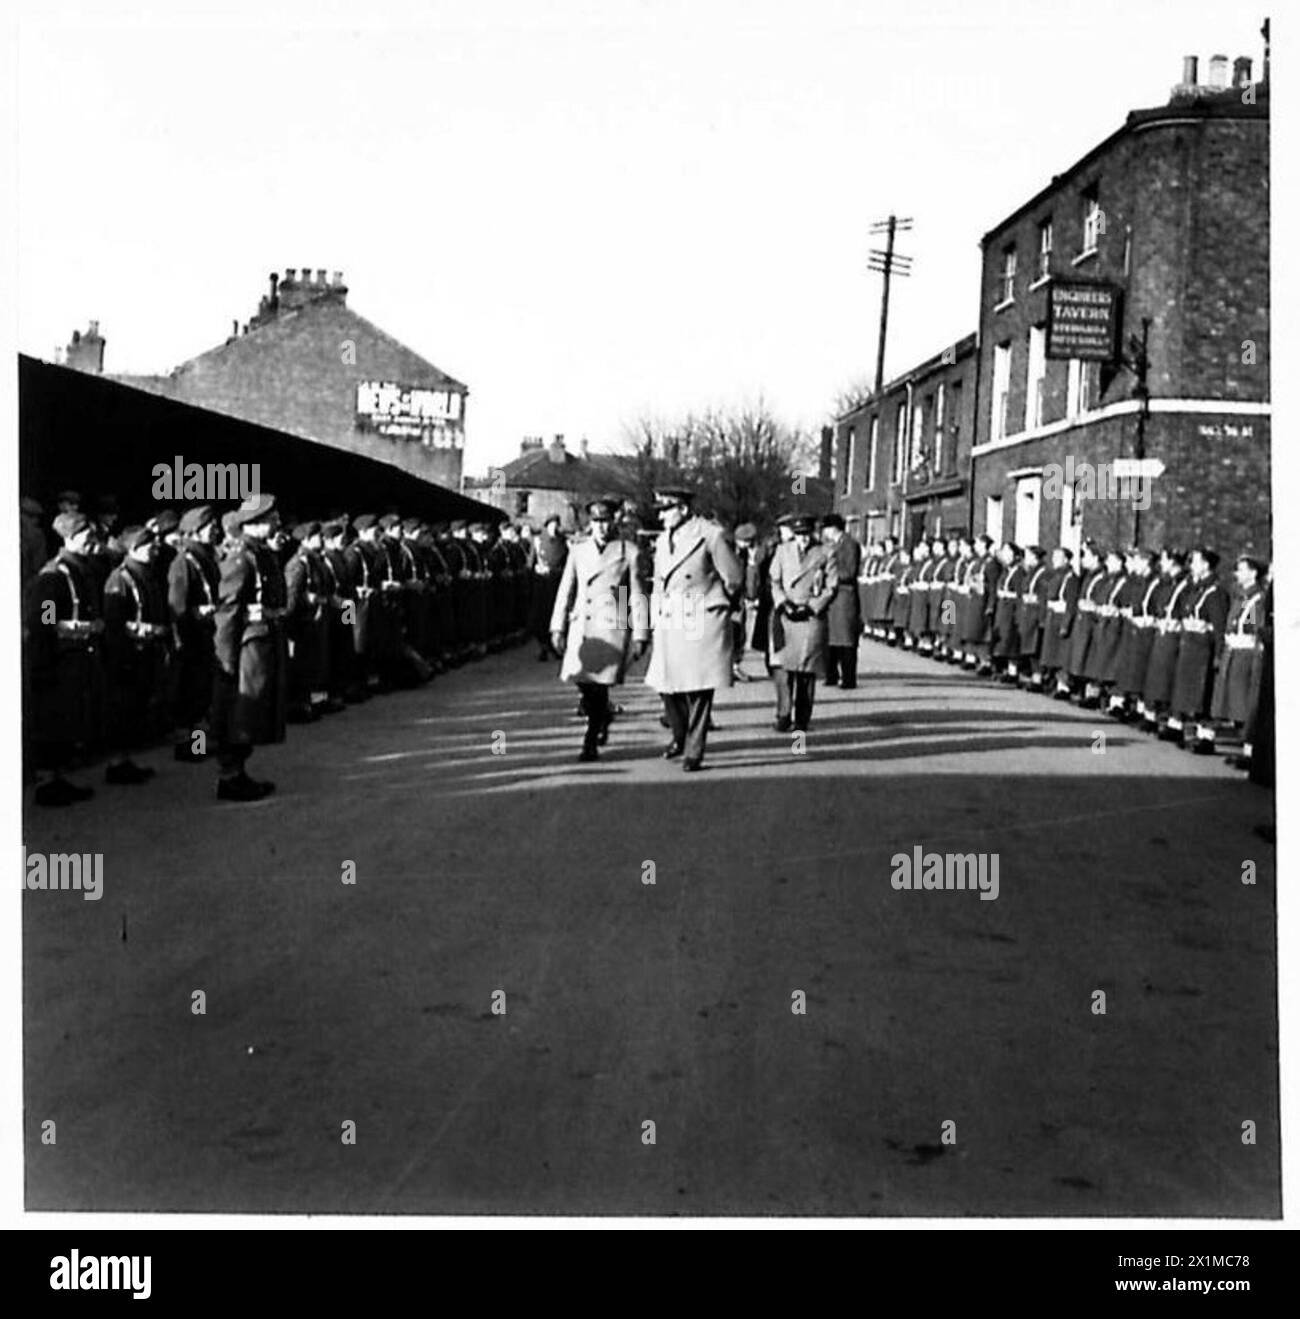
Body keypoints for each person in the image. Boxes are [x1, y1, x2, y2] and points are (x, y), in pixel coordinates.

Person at [644, 486, 743, 771]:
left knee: (698, 688)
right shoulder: (664, 540)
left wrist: (719, 606)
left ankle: (694, 749)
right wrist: (654, 617)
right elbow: (659, 583)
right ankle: (680, 735)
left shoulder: (710, 535)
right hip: (670, 618)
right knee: (667, 685)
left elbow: (733, 577)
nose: (662, 517)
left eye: (666, 510)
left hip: (700, 617)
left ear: (683, 510)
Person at [549, 499, 649, 761]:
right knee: (584, 684)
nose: (602, 527)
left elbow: (634, 593)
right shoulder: (578, 550)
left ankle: (590, 739)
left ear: (614, 521)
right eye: (596, 522)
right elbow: (566, 589)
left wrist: (640, 632)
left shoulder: (628, 551)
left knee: (599, 685)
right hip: (582, 625)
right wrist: (557, 626)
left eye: (606, 521)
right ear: (590, 523)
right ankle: (602, 716)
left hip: (610, 625)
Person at [211, 493, 288, 802]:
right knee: (242, 711)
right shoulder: (242, 559)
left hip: (262, 642)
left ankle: (238, 773)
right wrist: (226, 660)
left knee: (253, 713)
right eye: (271, 519)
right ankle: (230, 777)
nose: (277, 523)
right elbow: (227, 611)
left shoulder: (261, 554)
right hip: (247, 647)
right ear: (254, 524)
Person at [24, 511, 104, 806]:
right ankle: (48, 784)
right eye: (85, 536)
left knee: (68, 719)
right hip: (58, 661)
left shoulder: (80, 570)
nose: (91, 541)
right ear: (69, 538)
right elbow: (43, 621)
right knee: (54, 721)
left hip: (76, 660)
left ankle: (57, 778)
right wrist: (43, 666)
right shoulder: (53, 576)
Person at [102, 525, 172, 784]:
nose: (154, 550)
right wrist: (122, 659)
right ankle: (117, 763)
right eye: (147, 546)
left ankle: (126, 760)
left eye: (154, 545)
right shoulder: (121, 579)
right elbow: (115, 623)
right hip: (129, 655)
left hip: (147, 653)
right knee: (123, 710)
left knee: (137, 709)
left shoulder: (145, 575)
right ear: (132, 548)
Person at [768, 515, 838, 732]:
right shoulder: (782, 551)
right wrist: (782, 603)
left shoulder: (826, 552)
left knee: (806, 670)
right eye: (799, 535)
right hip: (785, 615)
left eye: (807, 535)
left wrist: (812, 606)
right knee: (782, 669)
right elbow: (774, 581)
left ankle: (802, 718)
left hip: (810, 616)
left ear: (813, 534)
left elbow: (831, 587)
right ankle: (783, 713)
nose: (803, 540)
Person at [168, 504, 222, 761]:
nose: (215, 531)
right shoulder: (184, 563)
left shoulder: (205, 557)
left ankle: (198, 745)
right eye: (210, 528)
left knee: (202, 694)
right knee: (190, 695)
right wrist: (196, 615)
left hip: (205, 636)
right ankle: (187, 745)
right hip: (191, 639)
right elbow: (178, 607)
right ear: (196, 531)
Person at [1205, 556, 1266, 760]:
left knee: (1241, 701)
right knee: (1228, 698)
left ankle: (1248, 750)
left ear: (1253, 573)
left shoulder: (1257, 598)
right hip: (1234, 650)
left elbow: (1251, 626)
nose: (1237, 574)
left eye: (1241, 570)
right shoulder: (1241, 596)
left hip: (1244, 652)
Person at [1169, 547, 1228, 748]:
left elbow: (1219, 627)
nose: (1191, 566)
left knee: (1203, 693)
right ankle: (1187, 730)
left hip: (1204, 648)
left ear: (1205, 565)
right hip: (1190, 645)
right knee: (1187, 692)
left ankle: (1206, 737)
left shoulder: (1215, 592)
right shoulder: (1195, 588)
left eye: (1195, 562)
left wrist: (1219, 654)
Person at [1140, 548, 1191, 734]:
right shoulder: (1166, 583)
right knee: (1158, 678)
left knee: (1169, 680)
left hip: (1178, 636)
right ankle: (1155, 716)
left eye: (1164, 560)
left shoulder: (1186, 584)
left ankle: (1172, 721)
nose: (1161, 564)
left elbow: (1249, 619)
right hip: (1163, 633)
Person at [820, 514, 861, 687]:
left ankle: (848, 678)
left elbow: (849, 571)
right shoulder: (832, 545)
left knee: (845, 640)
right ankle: (831, 674)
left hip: (844, 595)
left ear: (832, 528)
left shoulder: (849, 544)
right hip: (833, 596)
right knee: (831, 638)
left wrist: (830, 575)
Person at [730, 521, 759, 681]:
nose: (748, 545)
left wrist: (752, 564)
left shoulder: (746, 555)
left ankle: (735, 665)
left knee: (739, 633)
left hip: (738, 600)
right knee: (728, 633)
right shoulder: (727, 552)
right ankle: (728, 666)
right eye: (746, 542)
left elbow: (750, 580)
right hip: (726, 598)